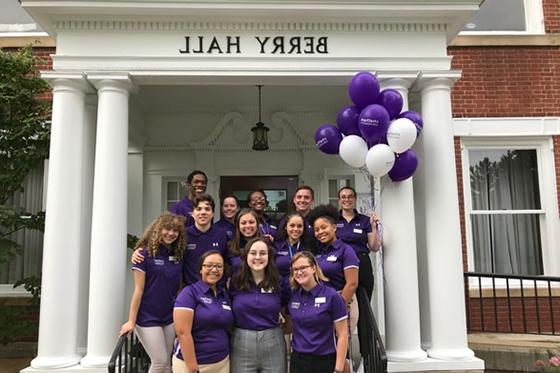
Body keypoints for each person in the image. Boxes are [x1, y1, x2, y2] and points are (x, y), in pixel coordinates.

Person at [119, 212, 186, 373]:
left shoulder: (177, 255)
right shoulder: (143, 254)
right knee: (159, 362)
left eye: (175, 231)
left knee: (168, 362)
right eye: (167, 229)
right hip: (147, 318)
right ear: (158, 229)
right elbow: (138, 289)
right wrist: (131, 321)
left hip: (169, 317)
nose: (171, 234)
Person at [133, 194, 229, 287]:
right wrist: (140, 250)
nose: (203, 212)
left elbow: (228, 262)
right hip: (191, 291)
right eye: (198, 209)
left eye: (207, 209)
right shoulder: (183, 234)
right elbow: (161, 244)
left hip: (216, 290)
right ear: (193, 213)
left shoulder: (221, 235)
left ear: (212, 214)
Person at [306, 204, 359, 361]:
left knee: (341, 350)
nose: (320, 232)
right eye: (316, 229)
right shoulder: (317, 252)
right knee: (327, 349)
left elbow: (352, 283)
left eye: (324, 227)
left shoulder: (345, 250)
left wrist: (339, 306)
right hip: (321, 305)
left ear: (334, 227)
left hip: (343, 301)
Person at [229, 238, 287, 373]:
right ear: (246, 256)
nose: (257, 257)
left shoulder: (278, 281)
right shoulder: (236, 281)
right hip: (242, 341)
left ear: (269, 256)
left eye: (262, 253)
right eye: (253, 253)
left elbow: (285, 303)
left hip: (273, 340)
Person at [172, 251, 233, 373]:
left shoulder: (223, 295)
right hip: (193, 365)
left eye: (219, 266)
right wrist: (193, 369)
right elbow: (183, 334)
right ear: (200, 269)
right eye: (209, 265)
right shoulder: (189, 293)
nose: (214, 270)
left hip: (222, 363)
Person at [288, 251, 348, 373]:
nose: (299, 272)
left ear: (314, 268)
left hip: (324, 360)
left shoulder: (332, 296)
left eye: (303, 267)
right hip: (298, 361)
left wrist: (338, 369)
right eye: (295, 269)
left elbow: (343, 335)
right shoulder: (292, 296)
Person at [337, 186, 381, 301]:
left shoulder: (365, 220)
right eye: (343, 197)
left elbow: (374, 247)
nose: (346, 199)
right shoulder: (333, 220)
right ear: (339, 200)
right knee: (342, 301)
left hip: (361, 263)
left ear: (355, 199)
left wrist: (373, 227)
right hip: (340, 264)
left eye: (350, 196)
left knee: (364, 301)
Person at [274, 211, 316, 281]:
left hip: (304, 289)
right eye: (292, 225)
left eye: (299, 226)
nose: (296, 229)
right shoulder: (277, 247)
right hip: (282, 288)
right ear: (285, 227)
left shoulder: (309, 247)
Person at [228, 208, 262, 278]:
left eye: (251, 222)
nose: (248, 226)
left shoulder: (266, 245)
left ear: (257, 224)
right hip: (237, 286)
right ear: (238, 226)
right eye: (243, 223)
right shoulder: (230, 246)